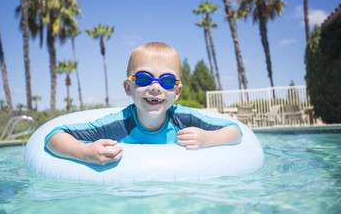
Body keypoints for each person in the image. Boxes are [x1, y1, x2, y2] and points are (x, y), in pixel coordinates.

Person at [45, 42, 242, 165]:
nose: (156, 87)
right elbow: (54, 137)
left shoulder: (185, 119)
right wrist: (85, 152)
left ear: (177, 92)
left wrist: (207, 139)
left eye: (167, 81)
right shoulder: (117, 125)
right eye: (143, 78)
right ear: (128, 88)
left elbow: (235, 131)